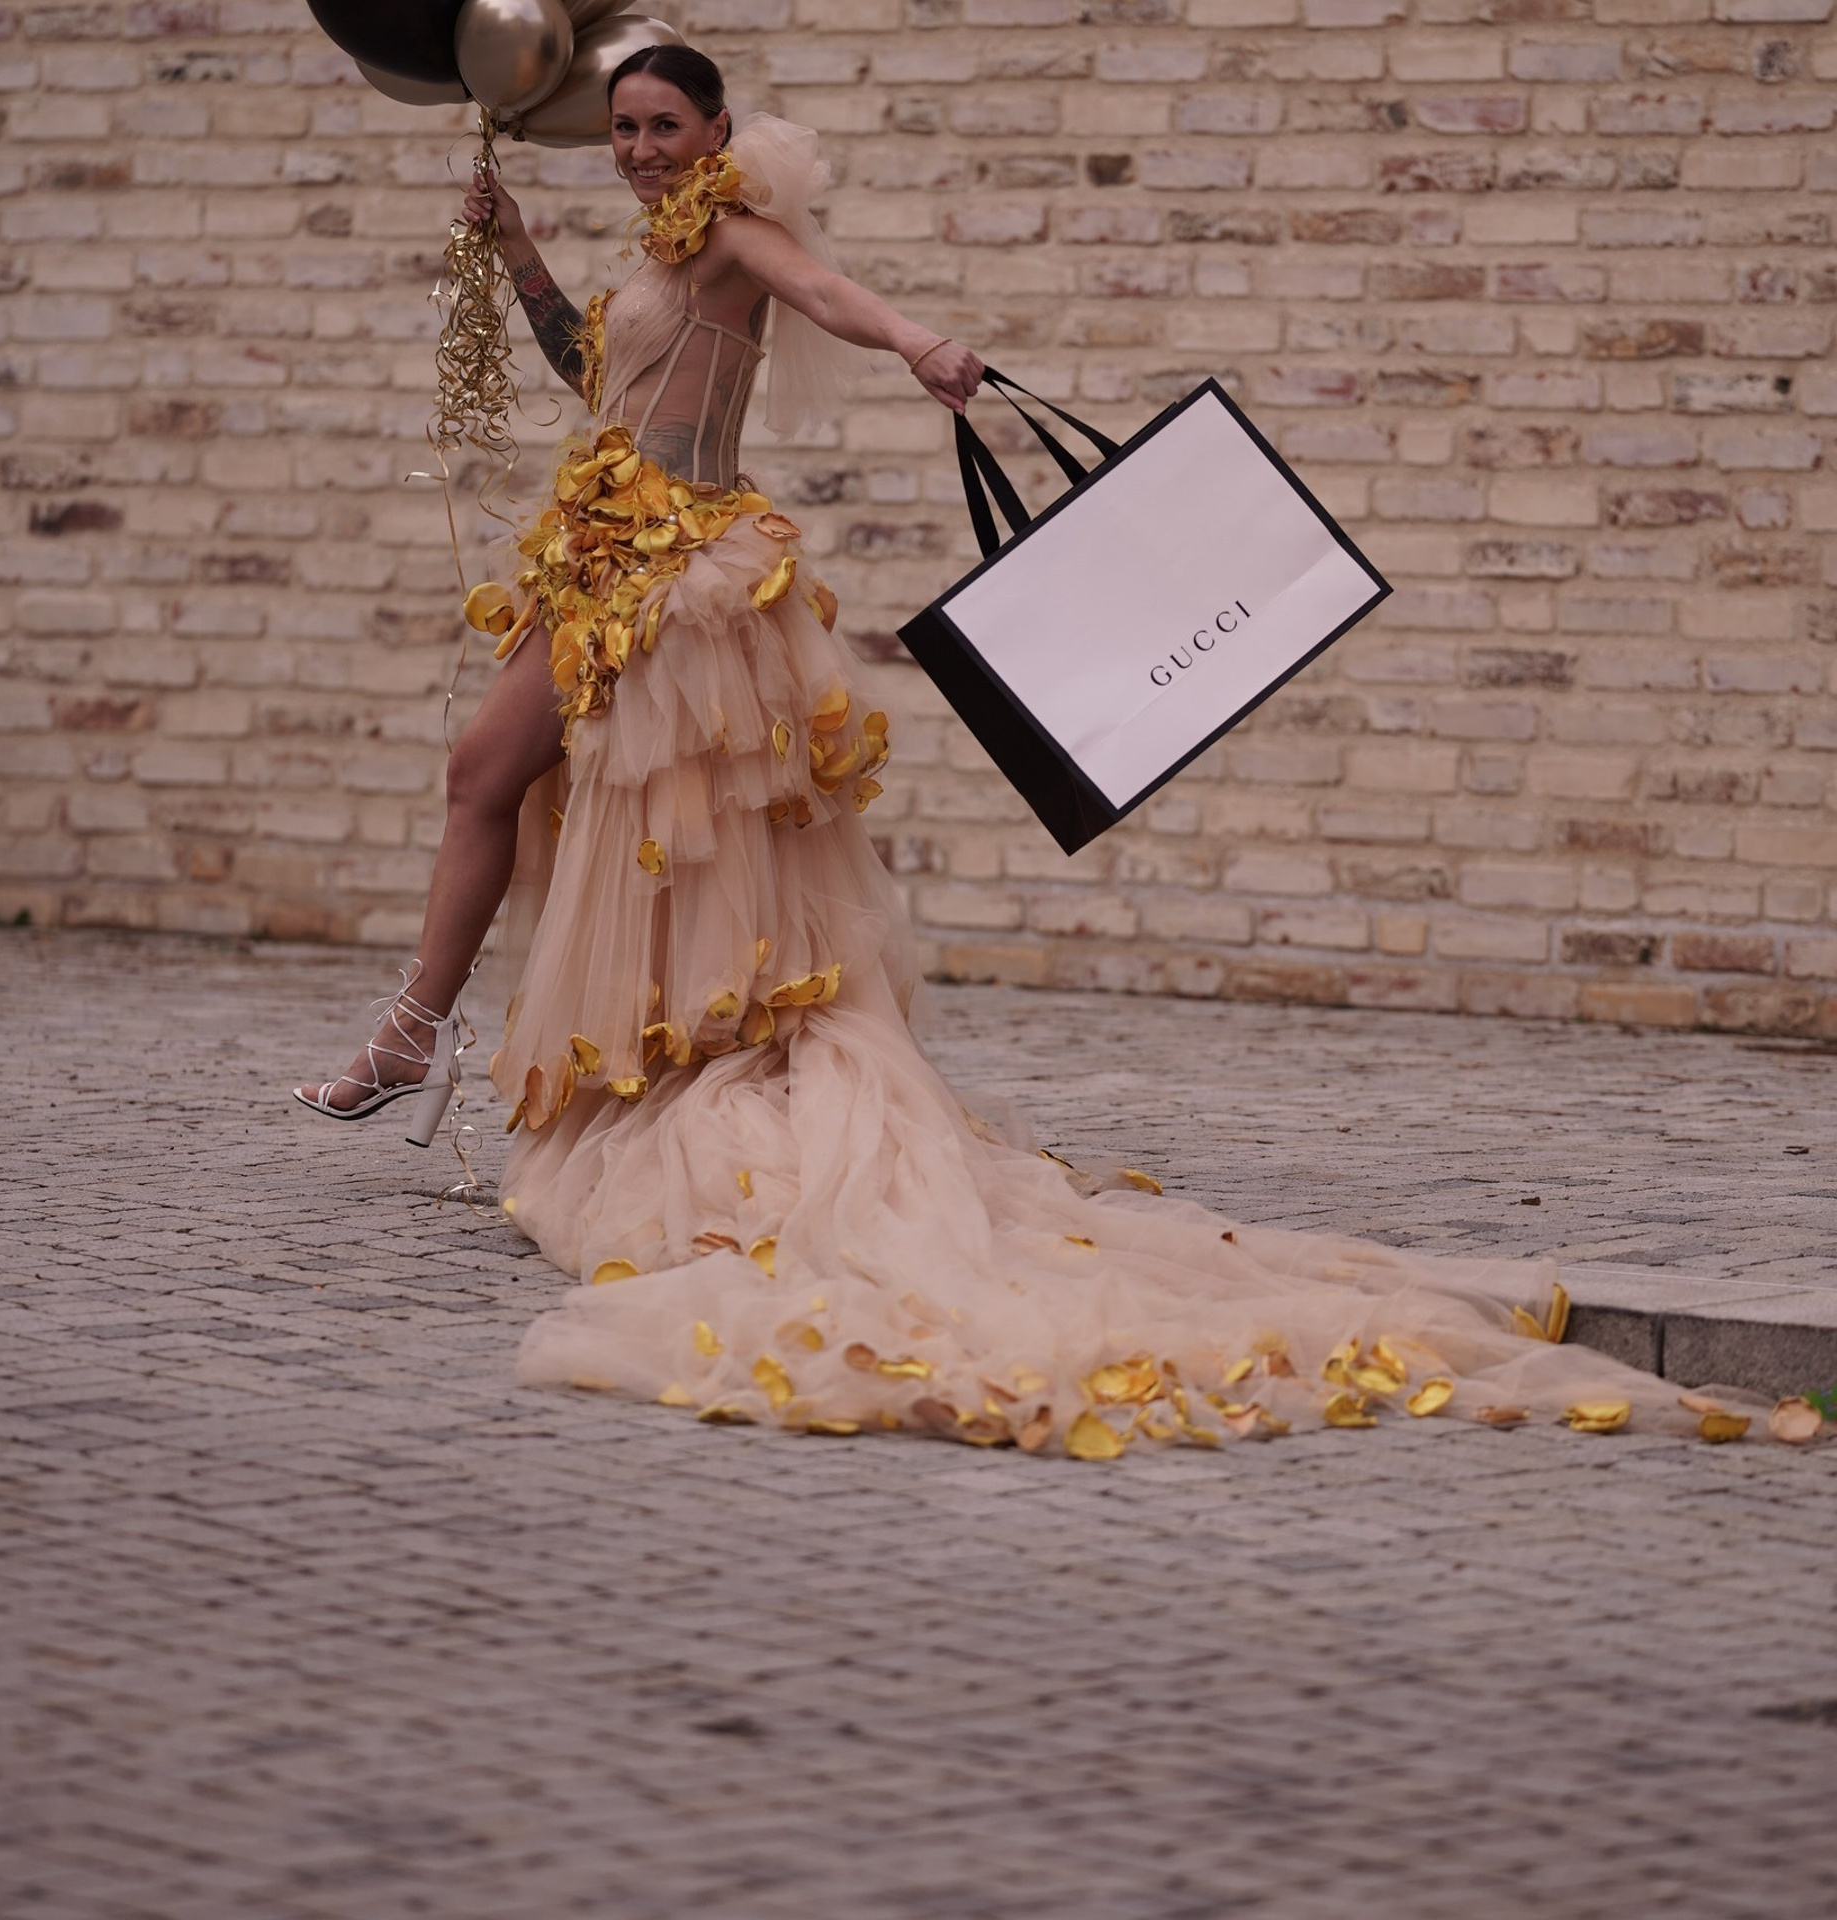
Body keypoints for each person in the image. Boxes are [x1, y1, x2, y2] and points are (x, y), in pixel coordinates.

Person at [296, 48, 1814, 1454]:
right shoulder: (648, 259)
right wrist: (518, 261)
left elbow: (826, 291)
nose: (636, 149)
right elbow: (600, 385)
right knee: (486, 781)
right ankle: (414, 1040)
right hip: (599, 561)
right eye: (622, 129)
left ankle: (437, 1045)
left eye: (662, 127)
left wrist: (919, 343)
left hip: (677, 580)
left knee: (554, 803)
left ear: (713, 135)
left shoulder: (732, 235)